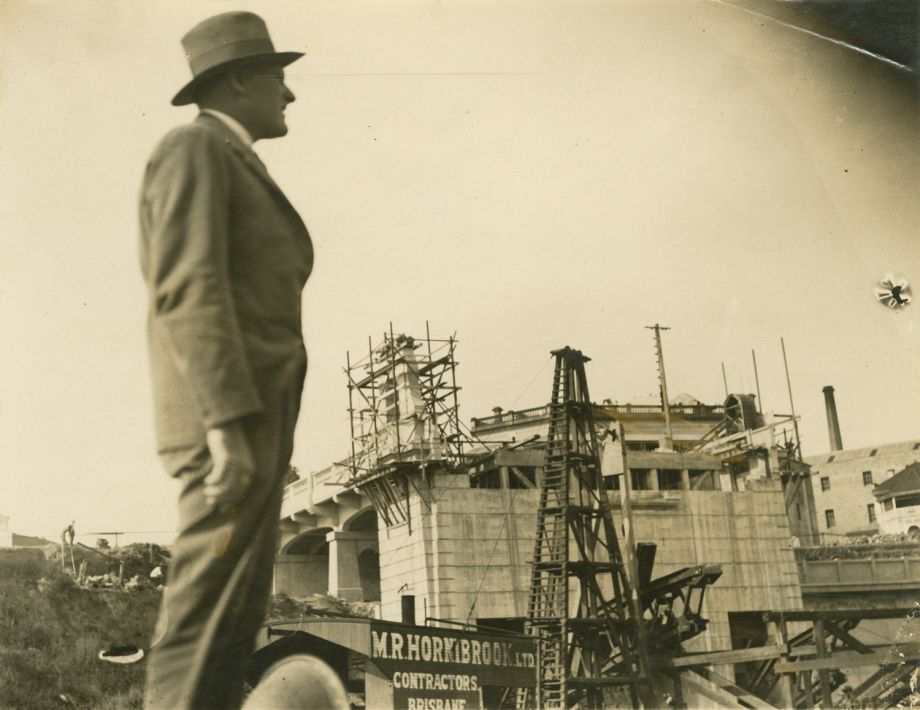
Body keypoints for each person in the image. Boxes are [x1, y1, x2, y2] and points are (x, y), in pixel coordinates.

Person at [138, 11, 313, 709]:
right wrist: (225, 424)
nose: (289, 95)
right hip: (229, 426)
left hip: (253, 424)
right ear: (241, 80)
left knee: (234, 619)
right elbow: (188, 287)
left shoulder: (228, 156)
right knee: (204, 613)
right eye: (278, 78)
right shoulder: (194, 149)